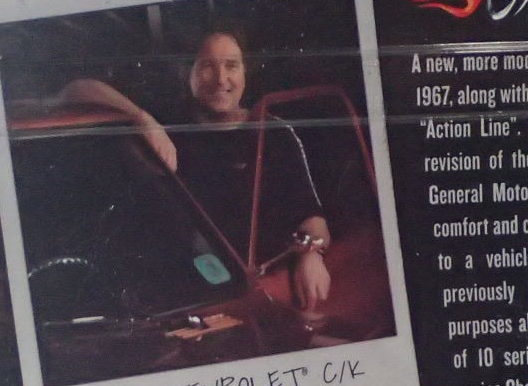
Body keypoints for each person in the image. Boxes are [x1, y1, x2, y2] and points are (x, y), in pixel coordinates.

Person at [57, 29, 332, 309]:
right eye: (207, 66)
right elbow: (74, 91)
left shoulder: (274, 133)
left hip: (258, 294)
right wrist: (141, 118)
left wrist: (312, 254)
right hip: (182, 296)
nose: (221, 79)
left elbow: (312, 219)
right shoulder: (168, 124)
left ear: (245, 73)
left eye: (231, 66)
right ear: (188, 72)